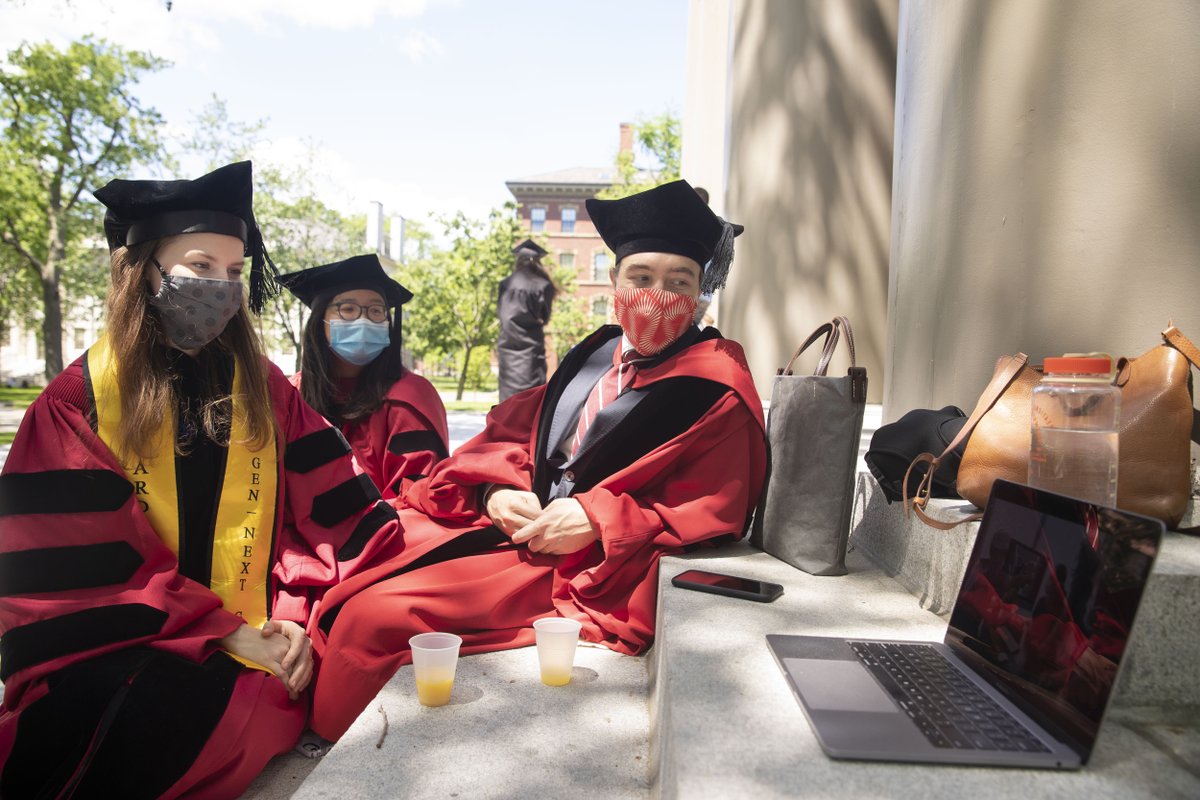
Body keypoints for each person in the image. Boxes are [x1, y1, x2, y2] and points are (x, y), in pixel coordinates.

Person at [305, 179, 766, 742]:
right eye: (640, 278)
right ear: (616, 283)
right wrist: (493, 493)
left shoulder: (714, 379)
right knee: (359, 562)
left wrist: (598, 518)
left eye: (679, 281)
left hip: (591, 563)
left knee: (372, 617)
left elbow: (716, 503)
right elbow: (515, 436)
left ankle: (336, 746)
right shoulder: (594, 355)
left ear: (701, 293)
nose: (656, 295)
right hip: (519, 529)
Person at [0, 162, 403, 798]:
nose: (220, 287)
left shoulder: (265, 388)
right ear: (143, 272)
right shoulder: (77, 402)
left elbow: (327, 518)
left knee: (226, 706)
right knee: (104, 726)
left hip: (261, 645)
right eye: (199, 267)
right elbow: (78, 580)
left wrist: (292, 614)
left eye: (235, 272)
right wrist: (222, 630)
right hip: (118, 647)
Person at [278, 254, 449, 500]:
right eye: (348, 309)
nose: (364, 319)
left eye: (376, 311)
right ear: (320, 321)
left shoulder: (408, 397)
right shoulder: (292, 394)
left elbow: (418, 498)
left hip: (384, 533)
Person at [496, 239, 556, 401]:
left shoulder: (505, 284)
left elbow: (500, 313)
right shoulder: (543, 286)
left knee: (507, 402)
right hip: (531, 350)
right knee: (531, 399)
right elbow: (545, 317)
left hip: (507, 348)